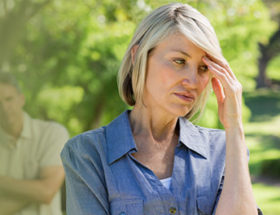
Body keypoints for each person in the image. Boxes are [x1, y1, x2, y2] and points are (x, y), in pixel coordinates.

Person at [61, 3, 262, 215]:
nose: (193, 81)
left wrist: (235, 126)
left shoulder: (224, 151)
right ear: (138, 57)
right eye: (179, 61)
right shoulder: (87, 155)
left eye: (203, 68)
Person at [0, 72, 69, 215]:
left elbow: (47, 192)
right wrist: (36, 190)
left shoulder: (52, 134)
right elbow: (43, 191)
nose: (4, 108)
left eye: (9, 99)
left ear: (21, 99)